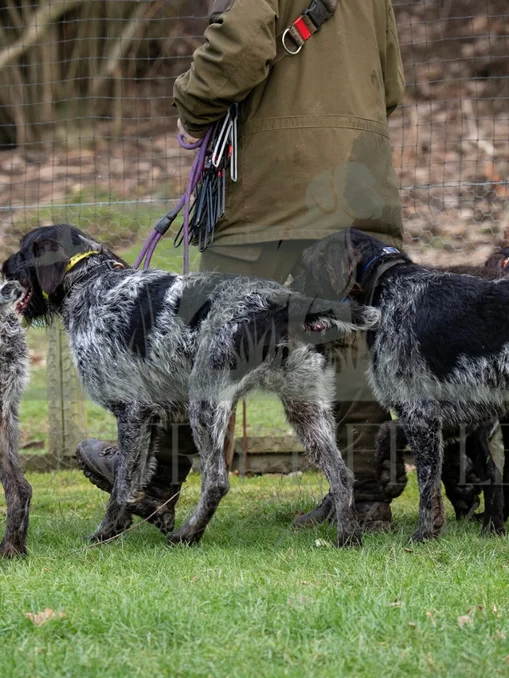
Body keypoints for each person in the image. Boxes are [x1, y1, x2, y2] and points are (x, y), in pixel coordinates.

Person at [76, 0, 409, 530]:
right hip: (355, 174)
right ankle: (366, 498)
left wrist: (190, 104)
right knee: (348, 341)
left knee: (193, 322)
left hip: (271, 185)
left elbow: (239, 48)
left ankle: (153, 481)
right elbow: (390, 85)